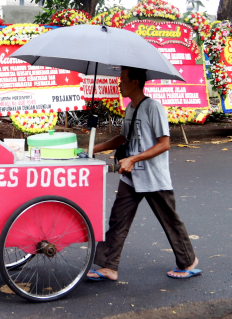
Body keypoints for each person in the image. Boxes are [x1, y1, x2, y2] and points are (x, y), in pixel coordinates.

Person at [86, 66, 200, 281]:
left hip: (153, 176)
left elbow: (164, 144)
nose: (119, 84)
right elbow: (123, 138)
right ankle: (109, 266)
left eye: (122, 79)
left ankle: (188, 261)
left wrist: (133, 159)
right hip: (131, 176)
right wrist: (94, 148)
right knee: (118, 220)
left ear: (135, 82)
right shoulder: (130, 108)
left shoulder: (153, 107)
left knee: (170, 220)